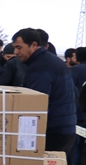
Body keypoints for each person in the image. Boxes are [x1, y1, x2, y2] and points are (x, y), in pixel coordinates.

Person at [13, 28, 77, 156]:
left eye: (19, 47)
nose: (16, 52)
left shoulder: (40, 67)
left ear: (34, 45)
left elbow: (36, 105)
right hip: (65, 129)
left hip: (53, 132)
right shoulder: (51, 61)